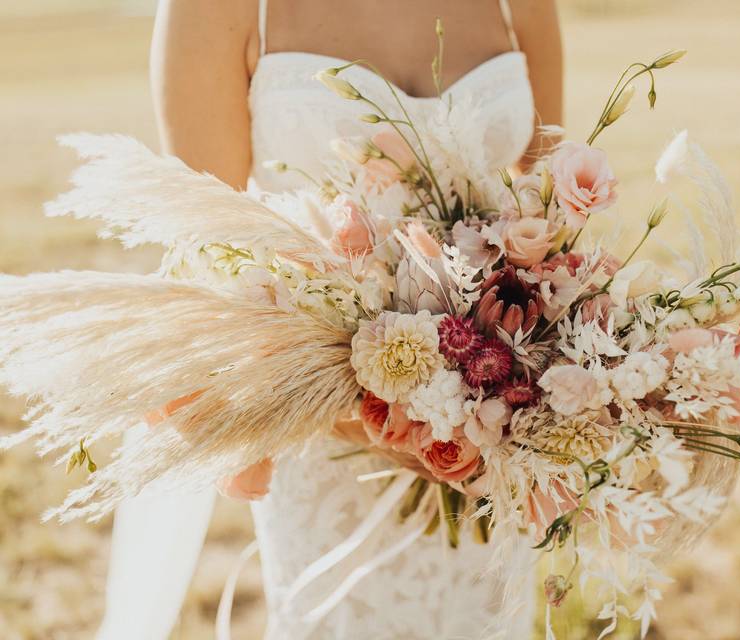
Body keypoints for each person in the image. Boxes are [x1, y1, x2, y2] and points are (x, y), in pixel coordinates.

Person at [98, 1, 562, 638]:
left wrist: (555, 373)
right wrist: (389, 415)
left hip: (493, 430)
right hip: (327, 429)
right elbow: (209, 250)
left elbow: (549, 206)